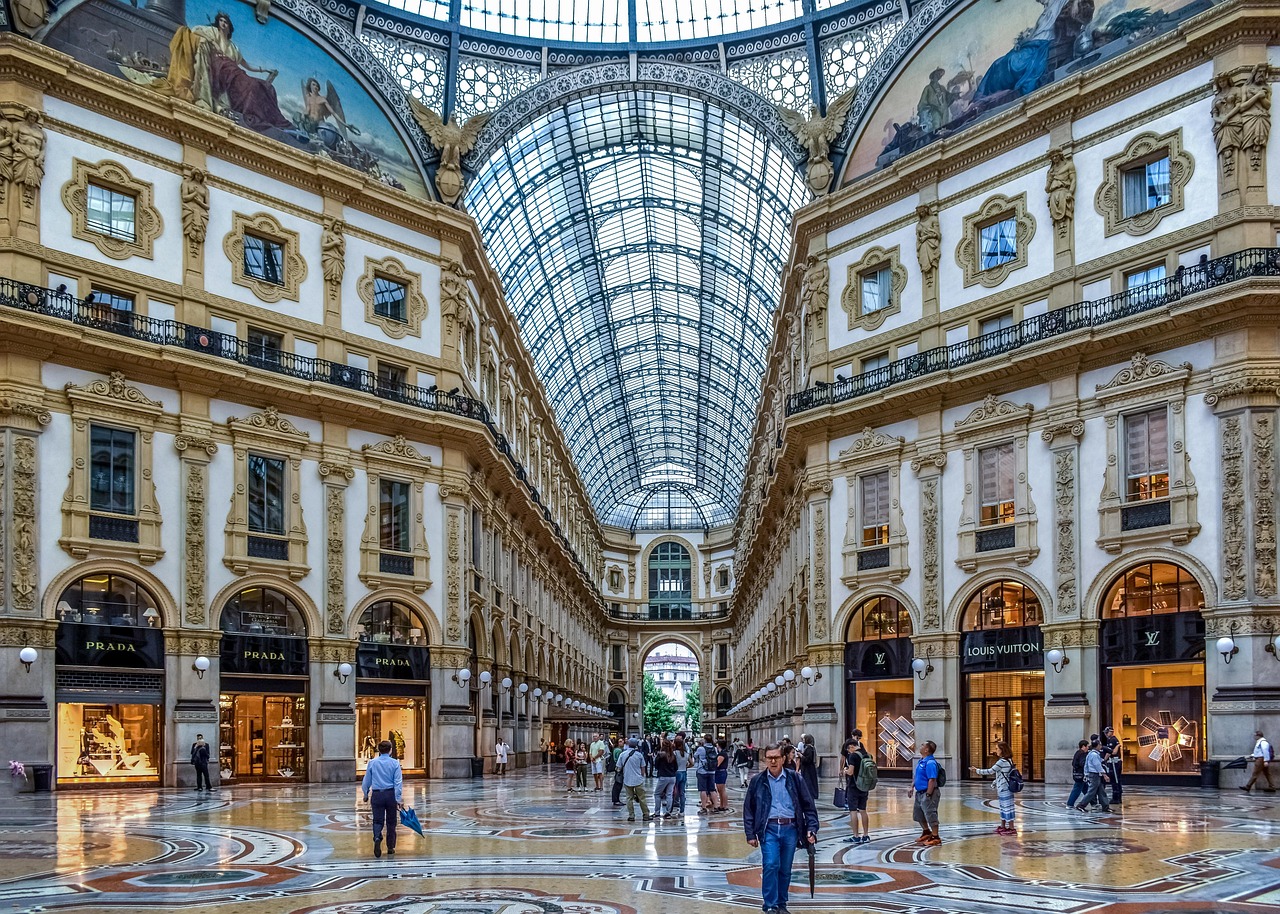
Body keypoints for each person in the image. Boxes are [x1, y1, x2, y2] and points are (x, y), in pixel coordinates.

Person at [743, 741, 819, 914]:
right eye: (769, 758)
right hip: (768, 828)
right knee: (770, 864)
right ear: (765, 759)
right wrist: (750, 834)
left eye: (776, 757)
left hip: (790, 829)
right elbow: (749, 809)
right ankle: (770, 904)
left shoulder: (795, 778)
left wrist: (812, 828)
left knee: (785, 868)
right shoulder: (757, 781)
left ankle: (781, 903)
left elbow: (808, 805)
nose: (773, 761)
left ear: (783, 758)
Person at [362, 739, 403, 858]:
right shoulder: (395, 763)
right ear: (390, 750)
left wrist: (365, 793)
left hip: (377, 794)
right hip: (390, 794)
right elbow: (398, 783)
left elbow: (367, 780)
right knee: (391, 822)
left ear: (379, 750)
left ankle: (377, 837)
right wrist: (398, 799)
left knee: (377, 820)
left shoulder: (372, 763)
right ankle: (390, 847)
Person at [971, 740, 1017, 835]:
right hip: (1006, 787)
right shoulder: (1009, 760)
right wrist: (995, 782)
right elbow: (1003, 774)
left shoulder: (1001, 762)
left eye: (997, 749)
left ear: (1002, 750)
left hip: (1004, 788)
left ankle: (1011, 828)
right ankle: (1003, 826)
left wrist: (977, 771)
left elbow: (990, 771)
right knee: (1005, 807)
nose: (996, 750)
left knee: (1006, 808)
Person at [910, 740, 942, 845]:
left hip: (928, 793)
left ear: (927, 750)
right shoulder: (921, 761)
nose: (920, 746)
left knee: (930, 814)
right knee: (919, 814)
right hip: (919, 792)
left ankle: (935, 836)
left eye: (923, 745)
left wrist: (928, 794)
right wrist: (912, 787)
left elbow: (932, 779)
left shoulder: (930, 763)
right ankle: (926, 831)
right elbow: (917, 776)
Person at [842, 730, 871, 844]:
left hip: (854, 786)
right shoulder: (866, 754)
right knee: (863, 810)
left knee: (853, 811)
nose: (848, 752)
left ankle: (856, 835)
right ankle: (866, 834)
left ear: (851, 747)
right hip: (865, 786)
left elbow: (851, 772)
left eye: (848, 749)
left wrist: (845, 770)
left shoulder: (853, 756)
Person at [1075, 735, 1112, 813]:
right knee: (1091, 792)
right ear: (1097, 745)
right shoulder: (1094, 755)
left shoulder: (1092, 754)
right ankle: (1081, 805)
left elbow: (1088, 765)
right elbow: (1097, 766)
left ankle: (1105, 806)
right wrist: (1104, 775)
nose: (1101, 746)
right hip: (1094, 775)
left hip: (1095, 775)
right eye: (1100, 745)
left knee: (1101, 791)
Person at [618, 737, 652, 822]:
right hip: (638, 780)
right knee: (642, 798)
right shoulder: (639, 755)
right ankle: (646, 814)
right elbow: (643, 767)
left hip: (627, 779)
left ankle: (631, 815)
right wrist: (642, 776)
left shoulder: (623, 754)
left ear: (628, 744)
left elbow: (618, 767)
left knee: (629, 798)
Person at [694, 735, 719, 814]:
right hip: (712, 771)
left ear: (704, 740)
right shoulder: (714, 748)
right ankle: (716, 806)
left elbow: (695, 756)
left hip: (702, 771)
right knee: (712, 789)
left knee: (703, 789)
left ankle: (704, 807)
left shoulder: (701, 749)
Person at [654, 738, 678, 819]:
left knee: (657, 794)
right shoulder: (673, 755)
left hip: (663, 776)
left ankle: (657, 812)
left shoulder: (660, 755)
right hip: (672, 776)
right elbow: (676, 767)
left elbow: (656, 765)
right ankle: (668, 812)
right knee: (669, 794)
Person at [1101, 725, 1123, 806]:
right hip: (1116, 762)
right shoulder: (1113, 740)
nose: (1106, 734)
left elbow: (1111, 752)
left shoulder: (1112, 740)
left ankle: (1116, 798)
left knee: (1115, 780)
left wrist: (1104, 760)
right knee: (1118, 780)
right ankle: (1118, 797)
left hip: (1114, 763)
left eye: (1107, 732)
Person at [1066, 739, 1090, 809]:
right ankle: (1070, 804)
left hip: (1077, 774)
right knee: (1077, 790)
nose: (1088, 748)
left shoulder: (1077, 753)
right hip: (1080, 775)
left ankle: (1094, 802)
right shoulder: (1082, 753)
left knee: (1086, 790)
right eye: (1087, 746)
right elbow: (1082, 763)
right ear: (1083, 746)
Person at [798, 733, 819, 802]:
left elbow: (807, 759)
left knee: (808, 784)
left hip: (808, 770)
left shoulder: (809, 748)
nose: (803, 740)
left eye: (804, 739)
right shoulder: (810, 748)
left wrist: (801, 755)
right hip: (808, 769)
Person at [673, 734, 690, 816]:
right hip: (684, 772)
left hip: (677, 772)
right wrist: (687, 766)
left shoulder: (674, 753)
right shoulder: (686, 754)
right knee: (682, 792)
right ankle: (682, 811)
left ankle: (671, 808)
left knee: (674, 791)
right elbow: (692, 763)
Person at [715, 738, 731, 812]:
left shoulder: (722, 754)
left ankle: (724, 805)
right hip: (720, 772)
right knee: (720, 790)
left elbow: (717, 764)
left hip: (720, 772)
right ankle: (722, 805)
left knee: (722, 790)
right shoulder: (722, 753)